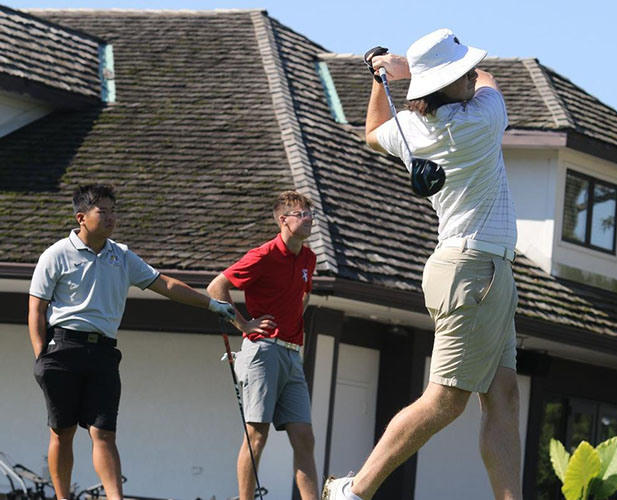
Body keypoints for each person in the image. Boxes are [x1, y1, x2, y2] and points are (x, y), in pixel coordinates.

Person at [323, 29, 521, 500]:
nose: (471, 74)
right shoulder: (481, 120)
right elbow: (489, 77)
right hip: (474, 271)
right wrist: (406, 68)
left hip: (481, 272)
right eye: (459, 72)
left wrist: (381, 78)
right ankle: (355, 491)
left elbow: (373, 133)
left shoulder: (415, 127)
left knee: (504, 396)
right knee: (445, 400)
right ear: (439, 82)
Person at [29, 184, 236, 500]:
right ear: (81, 217)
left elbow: (165, 283)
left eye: (114, 211)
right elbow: (36, 308)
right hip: (62, 349)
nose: (111, 217)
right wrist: (40, 358)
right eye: (103, 211)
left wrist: (210, 303)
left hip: (103, 352)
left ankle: (116, 498)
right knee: (62, 432)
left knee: (104, 432)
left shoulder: (122, 256)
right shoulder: (56, 254)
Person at [207, 190, 319, 500]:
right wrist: (243, 324)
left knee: (304, 437)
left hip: (292, 355)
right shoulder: (263, 254)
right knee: (257, 434)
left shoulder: (309, 257)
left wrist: (294, 323)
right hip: (262, 350)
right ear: (284, 220)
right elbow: (217, 286)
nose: (309, 220)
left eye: (311, 215)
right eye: (302, 215)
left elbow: (303, 294)